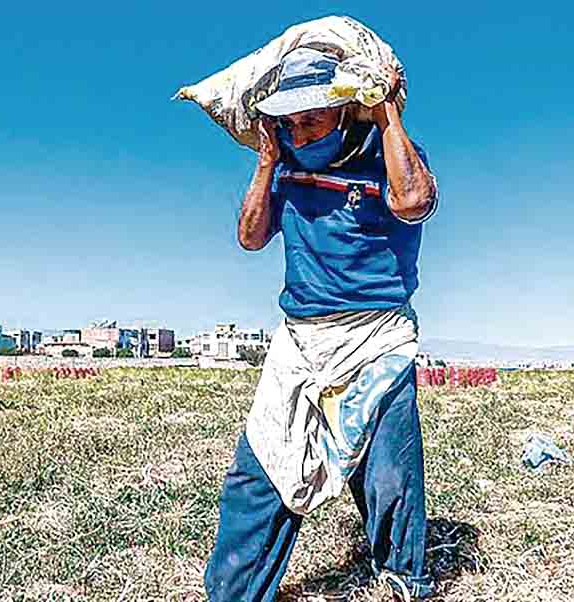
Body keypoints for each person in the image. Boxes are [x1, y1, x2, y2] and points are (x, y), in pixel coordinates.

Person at [204, 48, 439, 601]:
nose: (301, 132)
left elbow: (413, 203)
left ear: (342, 113)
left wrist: (386, 117)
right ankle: (232, 595)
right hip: (300, 339)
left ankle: (404, 582)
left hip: (375, 338)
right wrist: (266, 161)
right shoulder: (285, 166)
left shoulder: (390, 156)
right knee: (258, 471)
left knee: (388, 476)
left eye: (311, 119)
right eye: (289, 123)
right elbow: (250, 237)